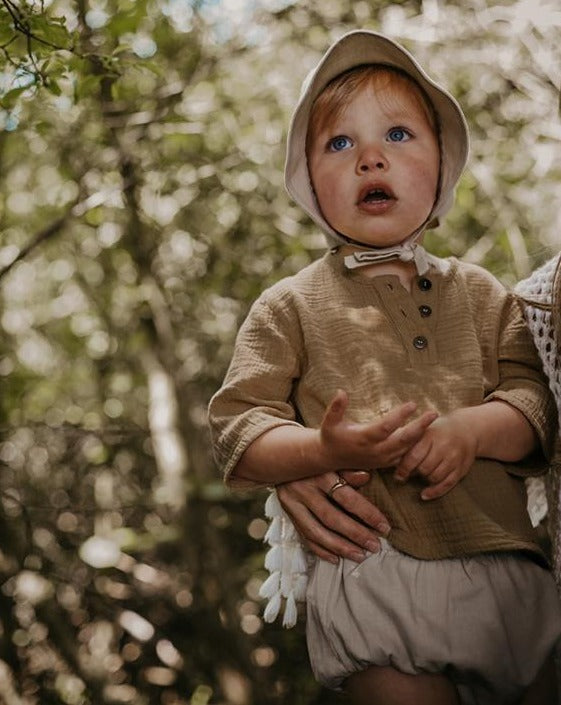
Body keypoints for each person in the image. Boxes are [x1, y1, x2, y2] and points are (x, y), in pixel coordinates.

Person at [208, 30, 561, 704]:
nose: (370, 157)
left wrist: (473, 432)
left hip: (508, 567)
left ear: (443, 166)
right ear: (309, 182)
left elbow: (536, 402)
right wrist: (316, 447)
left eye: (398, 135)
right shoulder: (288, 304)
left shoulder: (488, 294)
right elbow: (236, 427)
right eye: (338, 144)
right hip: (373, 568)